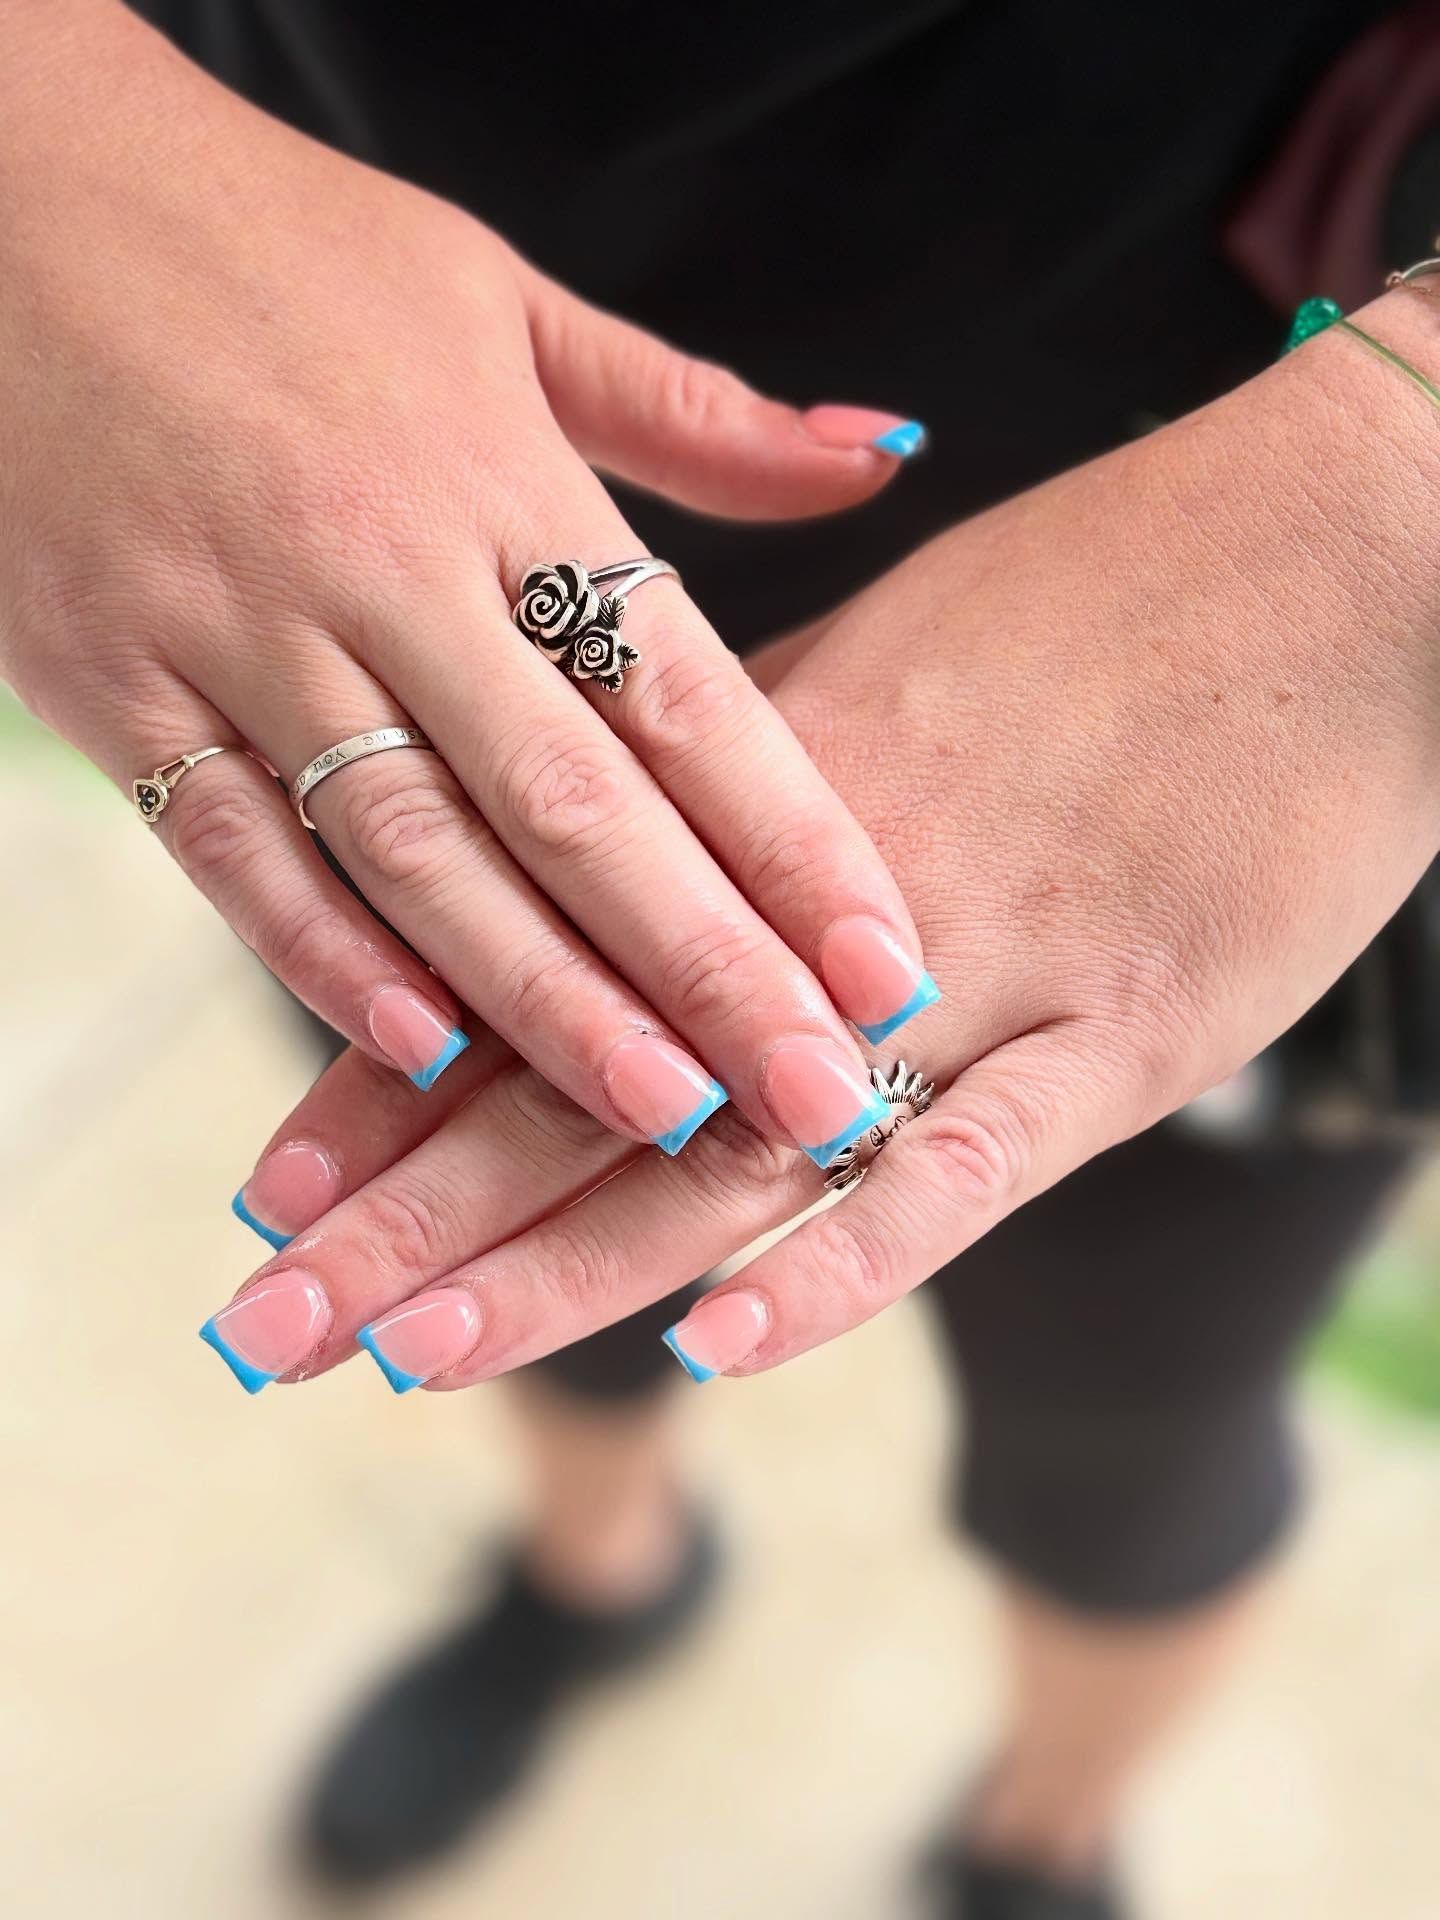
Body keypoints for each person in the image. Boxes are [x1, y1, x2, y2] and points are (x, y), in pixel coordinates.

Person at [4, 3, 1439, 1915]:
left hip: (1251, 590)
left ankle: (1045, 1835)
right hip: (332, 424)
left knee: (1132, 1438)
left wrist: (1388, 510)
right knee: (501, 1210)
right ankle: (600, 1575)